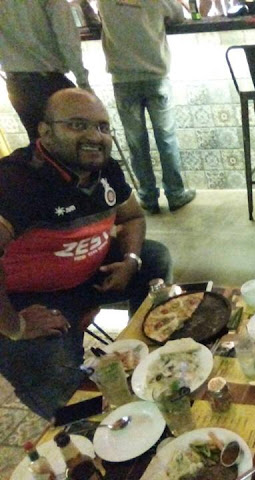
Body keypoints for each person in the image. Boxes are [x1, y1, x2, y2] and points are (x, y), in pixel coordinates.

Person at [0, 89, 172, 419]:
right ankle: (88, 423)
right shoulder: (17, 179)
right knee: (53, 371)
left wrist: (130, 261)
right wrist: (13, 326)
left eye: (103, 127)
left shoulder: (106, 170)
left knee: (154, 259)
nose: (95, 136)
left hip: (91, 276)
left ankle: (148, 355)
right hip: (31, 298)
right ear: (45, 131)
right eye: (78, 125)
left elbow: (132, 217)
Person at [97, 0, 196, 214]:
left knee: (136, 143)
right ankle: (175, 193)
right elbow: (178, 16)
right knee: (166, 139)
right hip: (155, 76)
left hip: (123, 80)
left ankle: (148, 197)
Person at [0, 0, 92, 143]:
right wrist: (83, 82)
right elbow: (67, 38)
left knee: (41, 145)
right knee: (76, 142)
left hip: (16, 85)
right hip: (49, 82)